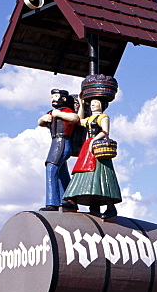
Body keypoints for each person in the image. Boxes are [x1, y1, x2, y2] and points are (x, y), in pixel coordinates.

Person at [64, 75, 121, 218]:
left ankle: (109, 206)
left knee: (101, 174)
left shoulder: (103, 118)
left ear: (102, 104)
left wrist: (94, 140)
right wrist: (82, 105)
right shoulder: (89, 119)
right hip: (87, 146)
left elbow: (105, 132)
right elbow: (79, 121)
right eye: (92, 103)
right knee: (82, 170)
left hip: (96, 146)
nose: (94, 104)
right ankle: (79, 201)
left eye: (96, 102)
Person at [38, 89, 80, 211]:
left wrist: (59, 115)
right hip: (55, 141)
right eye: (52, 97)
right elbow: (40, 122)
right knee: (62, 172)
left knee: (51, 167)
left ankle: (52, 202)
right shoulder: (52, 112)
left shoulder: (66, 111)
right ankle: (69, 199)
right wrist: (43, 119)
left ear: (64, 99)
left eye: (56, 96)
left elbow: (75, 118)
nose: (53, 99)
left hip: (62, 141)